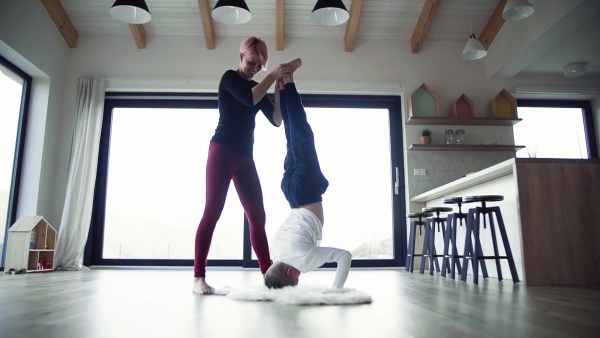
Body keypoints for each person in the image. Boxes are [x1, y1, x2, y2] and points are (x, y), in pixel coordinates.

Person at [193, 36, 301, 295]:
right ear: (242, 56)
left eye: (260, 66)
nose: (254, 68)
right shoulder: (229, 78)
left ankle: (269, 278)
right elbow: (249, 99)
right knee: (212, 211)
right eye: (252, 63)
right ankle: (199, 278)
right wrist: (273, 75)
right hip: (221, 151)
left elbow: (276, 120)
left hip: (245, 157)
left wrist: (278, 84)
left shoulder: (259, 85)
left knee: (258, 216)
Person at [264, 69, 352, 289]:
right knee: (292, 136)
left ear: (290, 271)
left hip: (306, 191)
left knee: (301, 130)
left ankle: (289, 80)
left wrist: (336, 290)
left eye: (295, 279)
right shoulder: (276, 251)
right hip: (290, 194)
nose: (299, 278)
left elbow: (344, 256)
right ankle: (283, 86)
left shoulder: (302, 262)